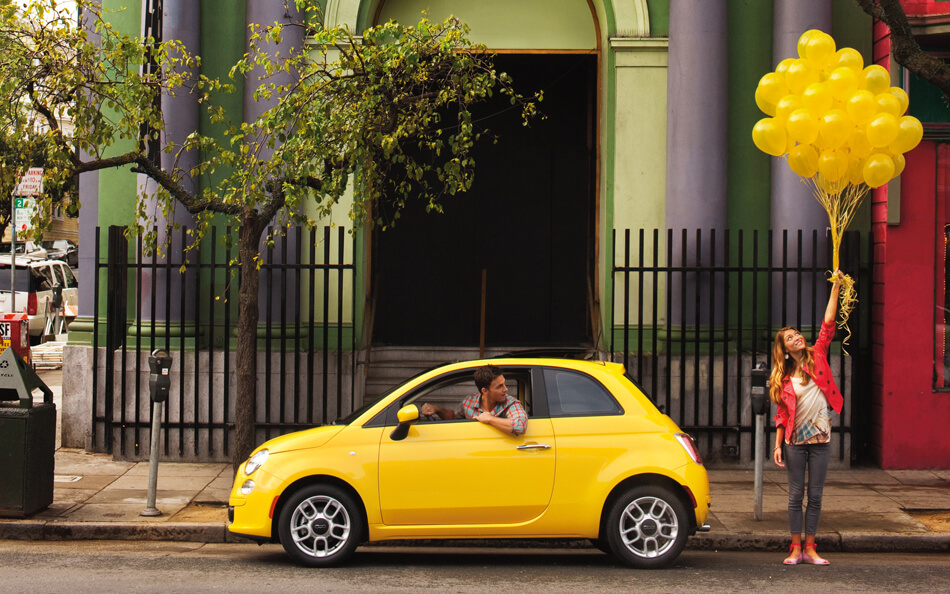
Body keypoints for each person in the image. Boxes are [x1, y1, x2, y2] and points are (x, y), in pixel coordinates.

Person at [770, 269, 845, 566]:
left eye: (797, 333)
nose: (797, 337)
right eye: (791, 337)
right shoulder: (783, 378)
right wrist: (777, 445)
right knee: (794, 496)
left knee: (815, 496)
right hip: (794, 443)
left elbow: (828, 324)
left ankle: (811, 548)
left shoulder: (819, 357)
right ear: (785, 349)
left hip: (821, 440)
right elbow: (781, 414)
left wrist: (836, 287)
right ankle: (794, 548)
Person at [420, 364, 527, 435]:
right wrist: (437, 409)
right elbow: (453, 416)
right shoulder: (468, 402)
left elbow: (520, 425)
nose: (506, 389)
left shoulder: (511, 403)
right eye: (499, 387)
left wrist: (490, 419)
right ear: (484, 391)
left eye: (504, 384)